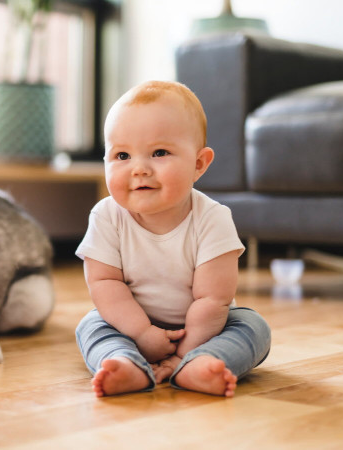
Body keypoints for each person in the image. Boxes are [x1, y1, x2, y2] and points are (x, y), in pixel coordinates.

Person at [75, 80, 271, 398]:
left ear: (198, 164)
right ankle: (124, 363)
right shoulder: (106, 216)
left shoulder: (212, 219)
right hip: (129, 322)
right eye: (122, 155)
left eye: (159, 153)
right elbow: (104, 284)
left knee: (253, 327)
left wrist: (182, 353)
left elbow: (212, 299)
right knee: (91, 325)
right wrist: (141, 332)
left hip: (206, 327)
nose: (139, 169)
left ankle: (200, 363)